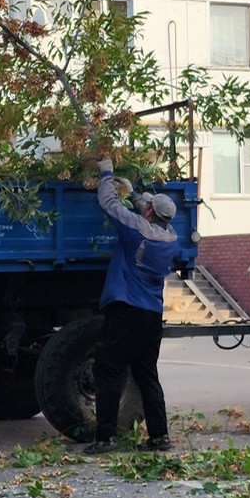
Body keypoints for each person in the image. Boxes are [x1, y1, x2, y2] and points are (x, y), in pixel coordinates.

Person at [84, 158, 180, 455]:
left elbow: (109, 203)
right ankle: (160, 437)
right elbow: (146, 209)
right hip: (151, 315)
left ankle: (105, 438)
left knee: (109, 369)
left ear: (150, 213)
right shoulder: (170, 237)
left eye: (147, 207)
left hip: (126, 310)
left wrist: (106, 173)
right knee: (146, 373)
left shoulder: (136, 231)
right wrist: (136, 192)